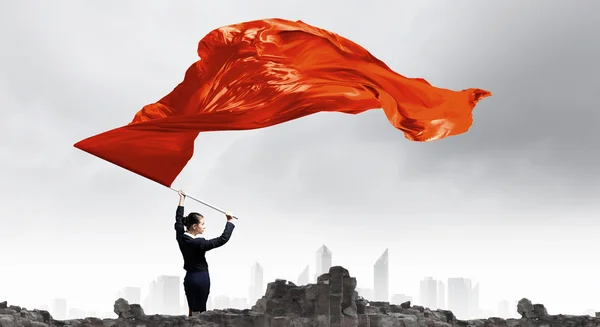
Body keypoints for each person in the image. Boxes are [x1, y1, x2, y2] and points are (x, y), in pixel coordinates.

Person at [174, 189, 235, 317]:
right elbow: (222, 239)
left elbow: (179, 220)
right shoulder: (199, 243)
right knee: (201, 313)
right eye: (202, 224)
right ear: (195, 226)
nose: (205, 226)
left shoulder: (181, 237)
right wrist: (229, 221)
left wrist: (182, 200)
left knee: (192, 310)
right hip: (201, 278)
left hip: (189, 278)